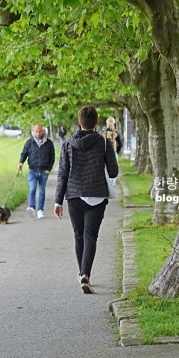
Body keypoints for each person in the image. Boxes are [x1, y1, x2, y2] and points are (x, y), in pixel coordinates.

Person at [54, 106, 119, 293]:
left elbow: (62, 174)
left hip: (74, 196)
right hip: (97, 196)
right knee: (91, 236)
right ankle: (85, 274)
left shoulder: (67, 144)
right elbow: (114, 171)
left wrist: (58, 202)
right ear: (96, 123)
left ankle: (82, 273)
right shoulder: (104, 143)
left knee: (79, 235)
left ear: (79, 122)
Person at [17, 124, 55, 219]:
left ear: (43, 131)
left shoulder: (49, 143)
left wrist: (49, 169)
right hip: (32, 171)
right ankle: (32, 208)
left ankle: (40, 210)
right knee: (32, 189)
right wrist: (21, 162)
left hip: (44, 171)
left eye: (40, 131)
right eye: (36, 131)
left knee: (41, 191)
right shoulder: (29, 142)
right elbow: (24, 154)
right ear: (33, 131)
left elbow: (52, 157)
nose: (38, 133)